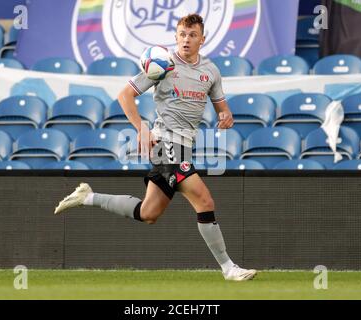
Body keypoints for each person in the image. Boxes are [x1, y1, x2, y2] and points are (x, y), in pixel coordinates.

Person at [54, 13, 256, 281]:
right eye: (182, 34)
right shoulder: (162, 64)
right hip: (166, 144)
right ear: (175, 37)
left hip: (185, 145)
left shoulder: (211, 72)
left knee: (148, 213)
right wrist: (141, 127)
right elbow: (125, 95)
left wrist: (226, 116)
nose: (186, 39)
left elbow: (222, 108)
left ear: (202, 39)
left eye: (192, 35)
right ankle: (229, 268)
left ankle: (88, 197)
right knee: (204, 200)